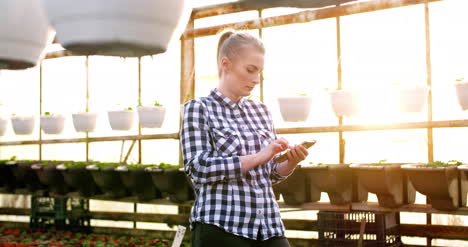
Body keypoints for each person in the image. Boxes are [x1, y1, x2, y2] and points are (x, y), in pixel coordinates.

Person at [180, 30, 309, 247]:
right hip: (222, 225)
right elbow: (198, 168)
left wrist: (291, 162)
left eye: (259, 72)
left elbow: (268, 175)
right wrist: (259, 156)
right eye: (250, 70)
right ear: (226, 64)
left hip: (267, 225)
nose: (256, 79)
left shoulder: (261, 111)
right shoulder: (199, 109)